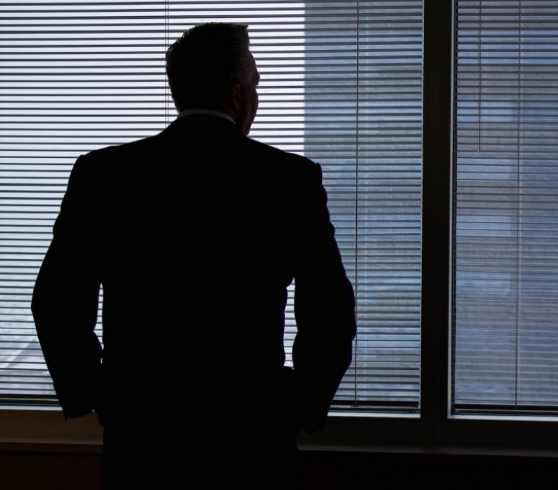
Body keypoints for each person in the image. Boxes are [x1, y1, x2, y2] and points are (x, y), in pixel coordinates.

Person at [31, 22, 356, 489]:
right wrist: (300, 405)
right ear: (238, 95)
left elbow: (55, 301)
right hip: (252, 442)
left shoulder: (103, 176)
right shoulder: (288, 180)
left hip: (141, 442)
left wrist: (96, 394)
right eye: (256, 84)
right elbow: (331, 311)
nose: (258, 97)